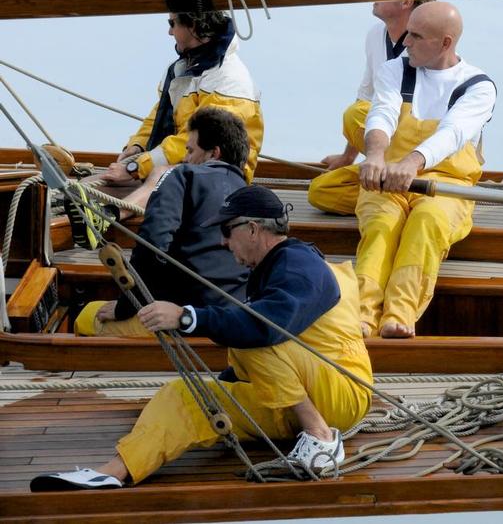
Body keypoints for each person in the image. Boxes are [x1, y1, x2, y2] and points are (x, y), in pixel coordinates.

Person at [30, 185, 373, 491]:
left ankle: (321, 438)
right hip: (294, 399)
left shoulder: (300, 264)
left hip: (341, 397)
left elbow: (266, 328)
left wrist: (186, 316)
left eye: (226, 231)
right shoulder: (271, 270)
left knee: (249, 331)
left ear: (253, 229)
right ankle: (112, 473)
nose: (222, 242)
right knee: (185, 395)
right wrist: (219, 392)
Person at [355, 1, 496, 339]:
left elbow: (453, 133)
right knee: (381, 225)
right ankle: (361, 313)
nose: (405, 43)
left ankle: (399, 314)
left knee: (427, 221)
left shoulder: (478, 86)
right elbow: (382, 113)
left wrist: (412, 163)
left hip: (445, 184)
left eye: (416, 37)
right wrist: (375, 155)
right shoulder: (394, 69)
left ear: (446, 43)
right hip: (390, 176)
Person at [72, 107, 251, 336]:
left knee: (86, 316)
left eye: (190, 150)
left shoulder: (184, 176)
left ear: (213, 153)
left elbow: (153, 245)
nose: (185, 158)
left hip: (180, 320)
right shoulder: (249, 194)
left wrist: (124, 307)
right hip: (229, 321)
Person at [101, 11, 263, 190]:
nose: (169, 33)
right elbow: (157, 119)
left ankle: (115, 213)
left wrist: (137, 167)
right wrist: (137, 145)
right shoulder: (181, 71)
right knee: (93, 186)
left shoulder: (229, 78)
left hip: (218, 179)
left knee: (152, 179)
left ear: (193, 25)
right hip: (184, 166)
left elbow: (198, 139)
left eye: (172, 24)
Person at [308, 0, 432, 215]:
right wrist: (348, 157)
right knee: (320, 190)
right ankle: (402, 194)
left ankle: (404, 191)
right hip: (386, 143)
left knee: (356, 113)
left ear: (406, 1)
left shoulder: (426, 43)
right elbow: (366, 94)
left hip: (420, 145)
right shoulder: (375, 35)